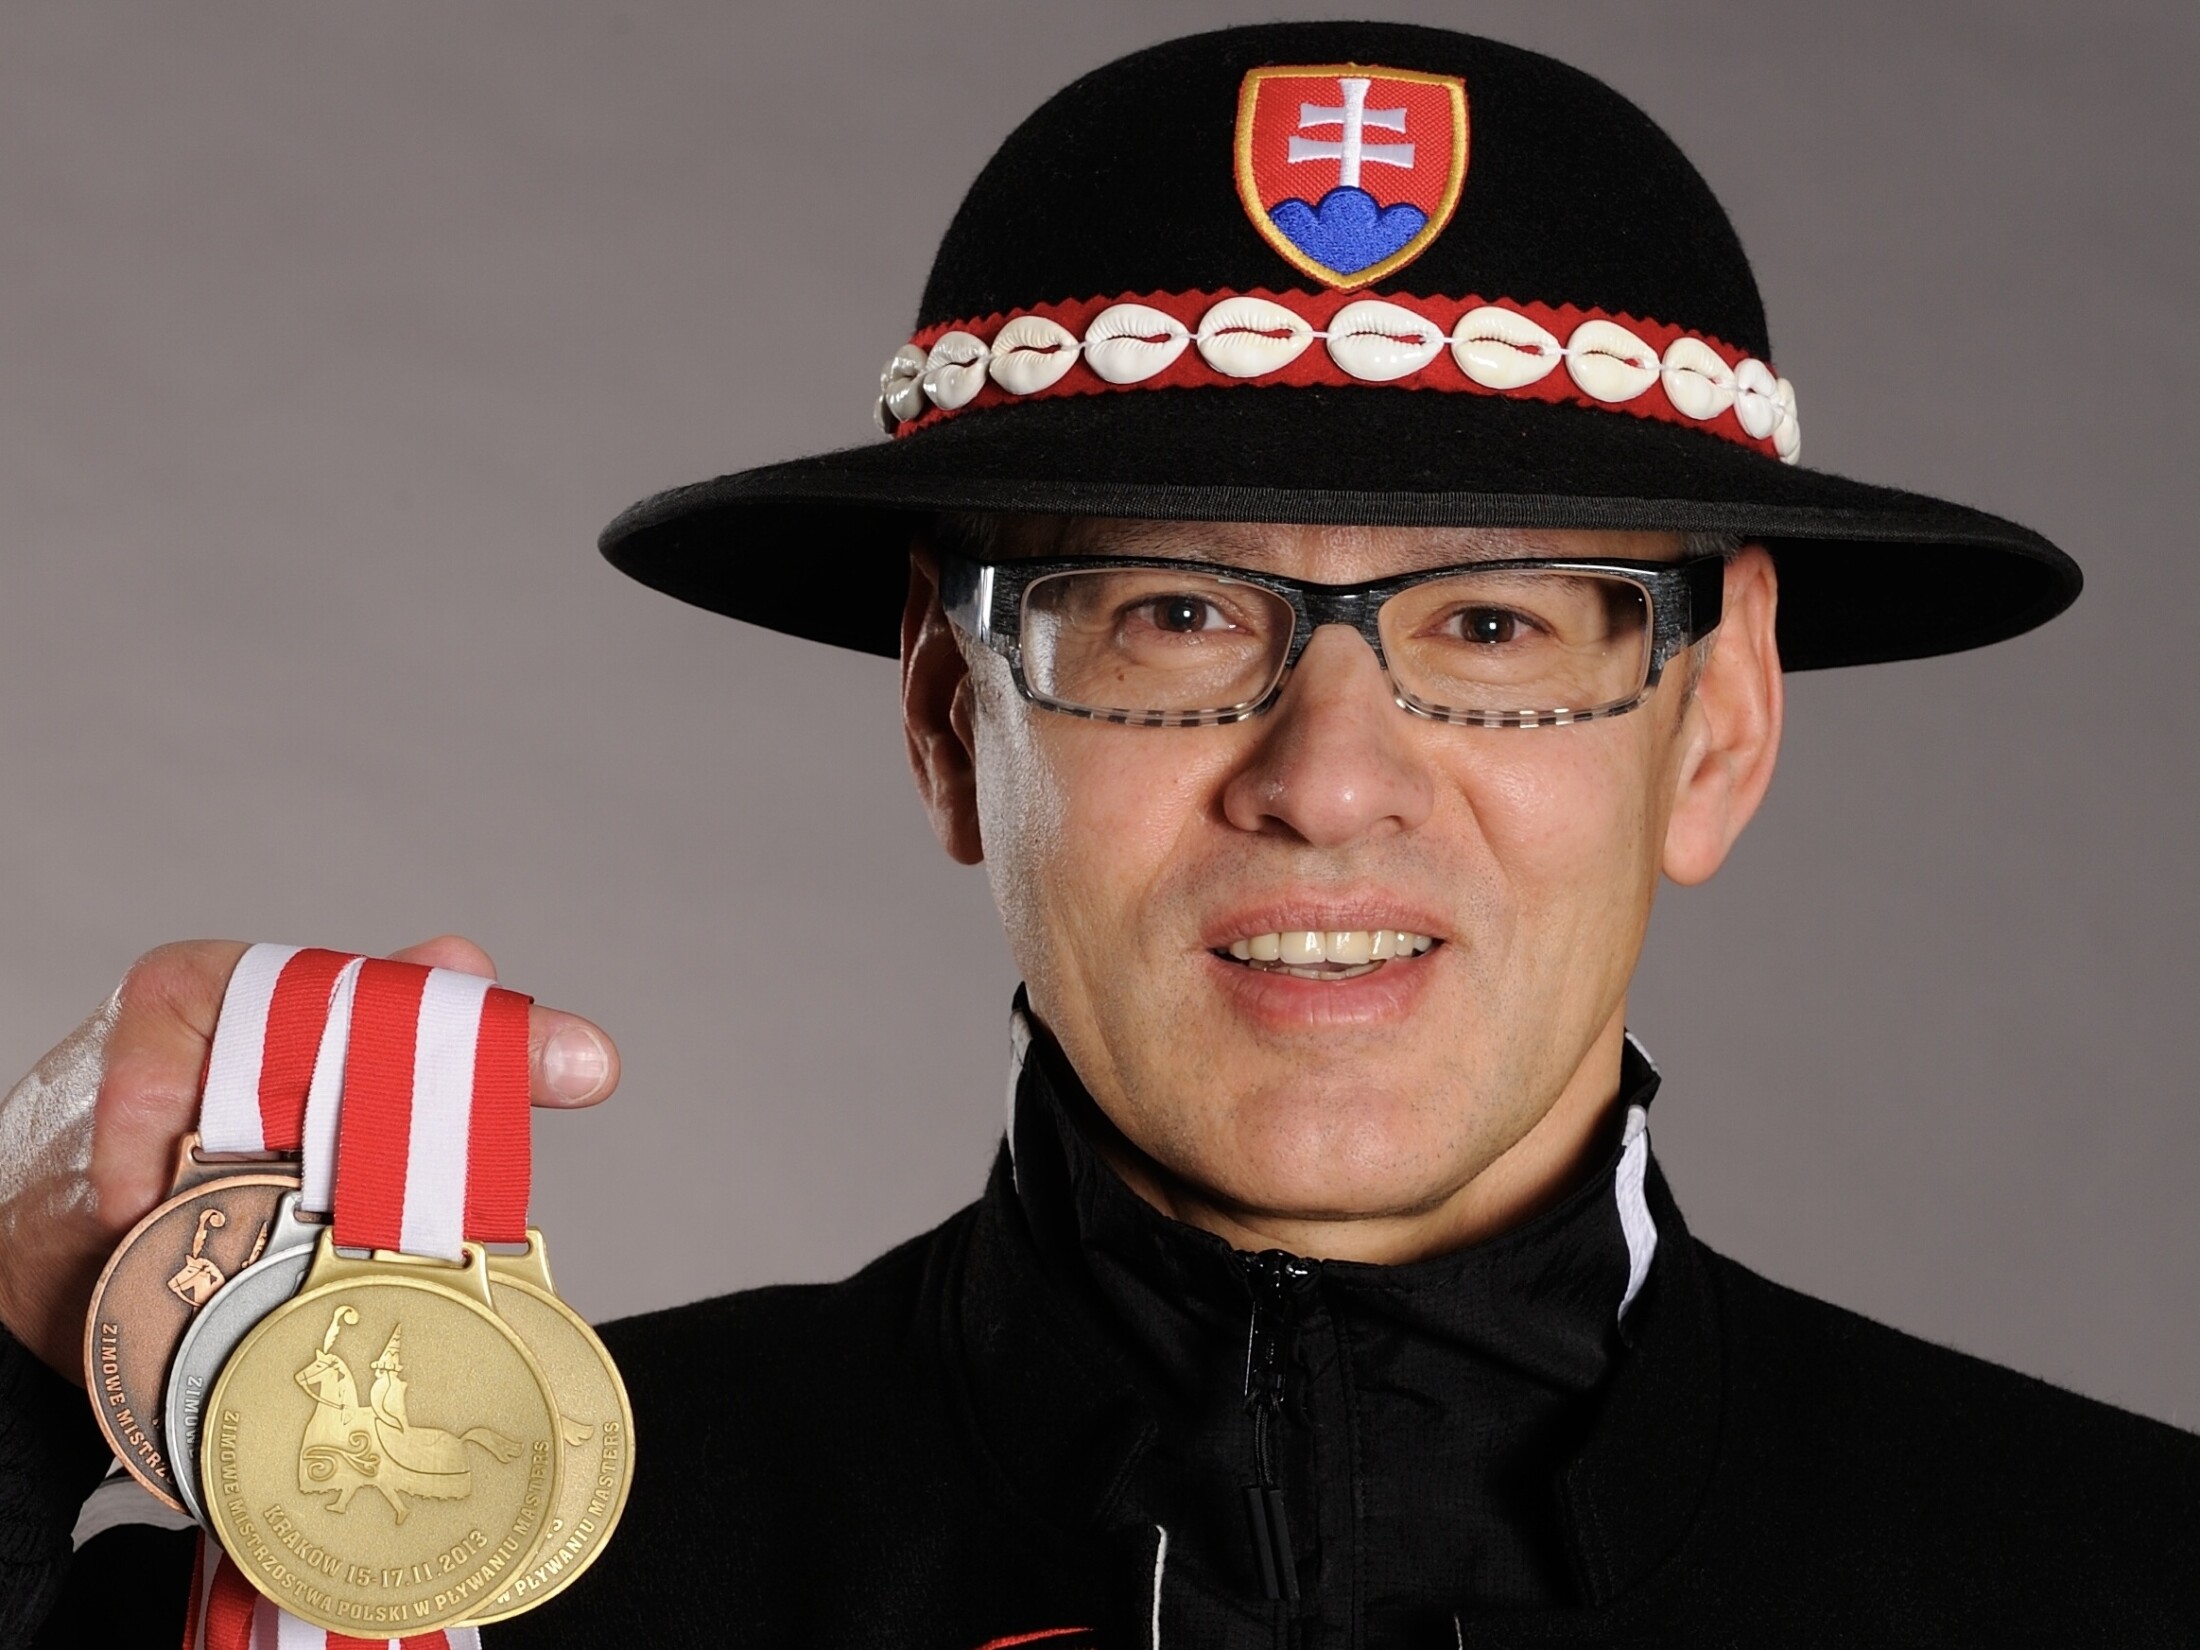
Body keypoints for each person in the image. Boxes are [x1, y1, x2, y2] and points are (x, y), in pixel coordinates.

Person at [4, 20, 2195, 1648]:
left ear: (1716, 729)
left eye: (1496, 623)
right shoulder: (451, 1575)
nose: (1327, 776)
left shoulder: (2121, 1577)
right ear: (948, 722)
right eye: (1171, 616)